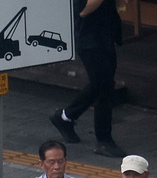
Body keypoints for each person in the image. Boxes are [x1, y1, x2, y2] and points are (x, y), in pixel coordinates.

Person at [50, 0, 125, 159]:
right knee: (103, 85)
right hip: (90, 38)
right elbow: (84, 10)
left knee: (104, 83)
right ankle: (103, 139)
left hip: (105, 34)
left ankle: (65, 116)